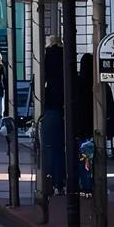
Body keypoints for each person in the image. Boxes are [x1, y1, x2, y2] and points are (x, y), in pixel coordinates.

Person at [41, 37, 67, 193]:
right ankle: (61, 182)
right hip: (66, 107)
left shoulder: (48, 55)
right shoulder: (66, 55)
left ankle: (51, 183)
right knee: (62, 149)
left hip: (51, 107)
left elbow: (42, 76)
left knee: (50, 147)